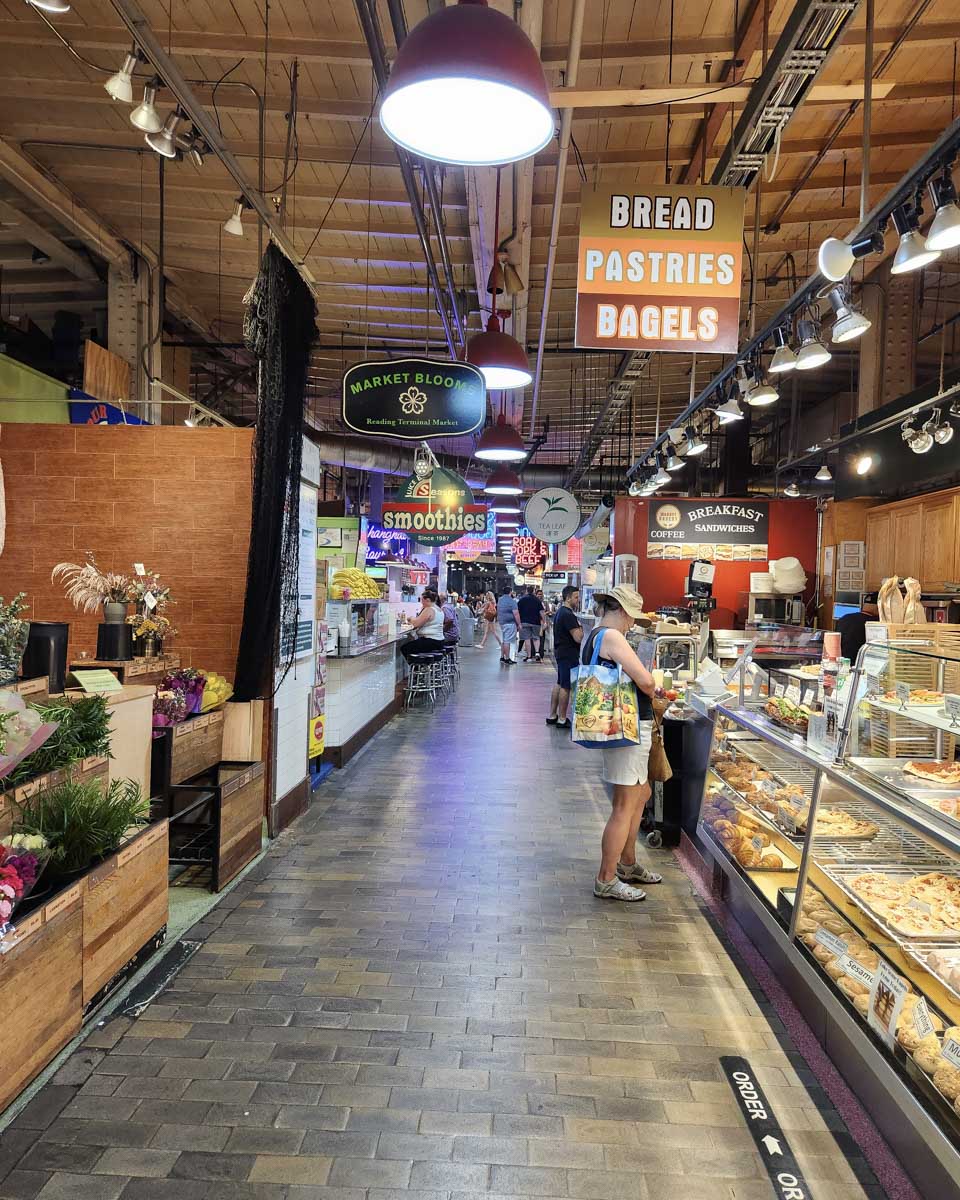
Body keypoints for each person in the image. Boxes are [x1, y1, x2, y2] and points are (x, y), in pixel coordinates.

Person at [578, 586, 663, 902]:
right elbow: (646, 681)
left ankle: (627, 864)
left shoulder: (595, 635)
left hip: (621, 729)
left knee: (640, 794)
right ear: (624, 611)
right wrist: (654, 684)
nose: (632, 624)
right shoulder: (613, 637)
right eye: (632, 618)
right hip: (625, 728)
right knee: (625, 805)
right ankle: (607, 878)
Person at [546, 585, 582, 728]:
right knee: (566, 686)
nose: (578, 600)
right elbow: (578, 638)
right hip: (568, 654)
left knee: (560, 683)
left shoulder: (560, 612)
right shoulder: (568, 615)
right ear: (568, 598)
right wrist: (581, 628)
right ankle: (562, 718)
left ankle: (552, 715)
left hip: (561, 652)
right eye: (576, 597)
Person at [400, 587, 446, 663]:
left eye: (422, 600)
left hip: (430, 641)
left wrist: (411, 618)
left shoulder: (429, 609)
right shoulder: (439, 609)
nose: (421, 603)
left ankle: (417, 669)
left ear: (427, 600)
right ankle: (424, 669)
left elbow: (416, 624)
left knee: (405, 648)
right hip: (439, 641)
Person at [836, 595, 880, 664]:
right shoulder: (877, 623)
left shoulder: (844, 618)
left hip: (842, 663)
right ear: (879, 608)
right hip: (864, 665)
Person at [517, 585, 546, 661]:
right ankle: (537, 653)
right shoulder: (537, 600)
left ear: (526, 591)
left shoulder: (522, 600)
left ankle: (529, 656)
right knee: (536, 638)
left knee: (527, 639)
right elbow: (542, 611)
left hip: (524, 622)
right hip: (536, 622)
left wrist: (518, 622)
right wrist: (544, 621)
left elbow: (517, 612)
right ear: (533, 591)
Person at [497, 587, 521, 664]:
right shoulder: (512, 601)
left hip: (502, 622)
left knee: (504, 640)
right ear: (510, 592)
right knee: (507, 641)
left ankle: (502, 657)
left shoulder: (500, 600)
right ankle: (507, 658)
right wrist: (519, 624)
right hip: (510, 623)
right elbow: (516, 614)